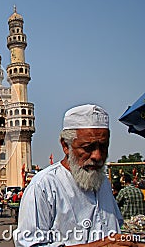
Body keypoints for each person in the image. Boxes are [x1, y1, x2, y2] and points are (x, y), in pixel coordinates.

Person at [14, 104, 136, 246]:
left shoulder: (102, 182)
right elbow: (28, 244)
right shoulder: (44, 186)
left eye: (103, 147)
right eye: (87, 148)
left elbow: (115, 229)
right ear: (66, 146)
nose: (97, 156)